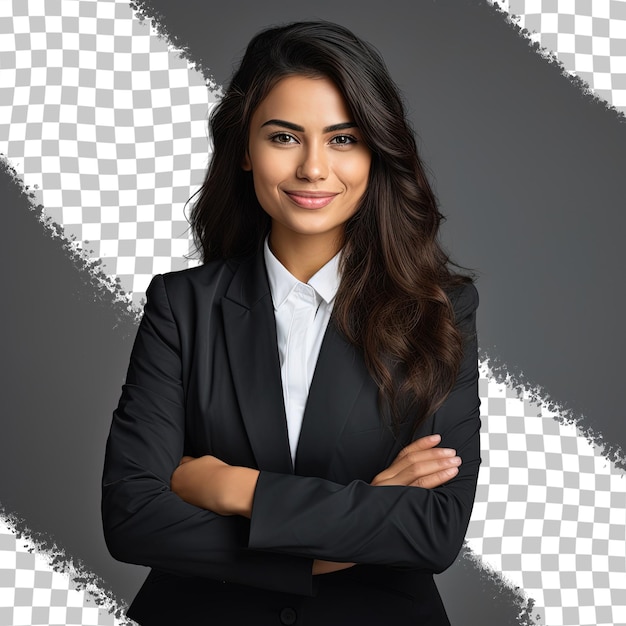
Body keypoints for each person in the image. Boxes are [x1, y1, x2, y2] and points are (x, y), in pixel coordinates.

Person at [102, 20, 480, 626]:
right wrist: (348, 532)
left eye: (342, 138)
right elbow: (133, 518)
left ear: (375, 153)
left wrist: (235, 490)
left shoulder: (438, 311)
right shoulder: (182, 305)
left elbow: (432, 531)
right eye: (284, 137)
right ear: (245, 151)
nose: (312, 168)